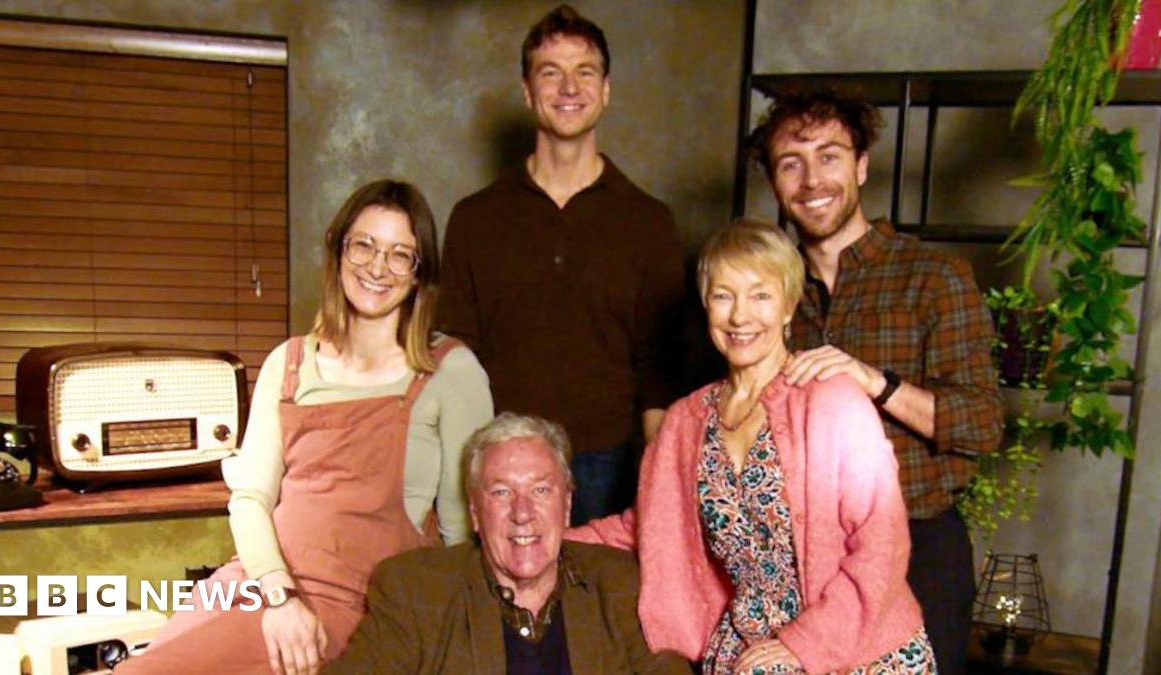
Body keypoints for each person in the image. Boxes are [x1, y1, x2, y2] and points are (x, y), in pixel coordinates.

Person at [116, 180, 493, 675]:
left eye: (401, 254)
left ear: (421, 275)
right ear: (338, 250)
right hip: (263, 583)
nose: (378, 267)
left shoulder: (451, 370)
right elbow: (250, 499)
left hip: (368, 605)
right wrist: (279, 596)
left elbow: (462, 535)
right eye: (364, 245)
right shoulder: (288, 362)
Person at [569, 219, 935, 674]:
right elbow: (648, 524)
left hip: (858, 645)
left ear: (788, 306)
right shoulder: (686, 420)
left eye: (760, 295)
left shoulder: (831, 398)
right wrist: (542, 541)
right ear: (706, 305)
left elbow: (883, 545)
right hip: (749, 647)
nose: (740, 316)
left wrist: (805, 645)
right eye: (724, 296)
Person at [748, 91, 1002, 675]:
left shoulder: (933, 277)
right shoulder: (766, 291)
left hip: (918, 547)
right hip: (807, 556)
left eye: (830, 156)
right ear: (773, 181)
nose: (812, 180)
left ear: (862, 165)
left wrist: (876, 383)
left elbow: (983, 424)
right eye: (791, 163)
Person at [437, 4, 684, 526]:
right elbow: (454, 358)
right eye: (551, 73)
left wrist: (661, 489)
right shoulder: (475, 218)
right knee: (496, 604)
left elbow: (658, 374)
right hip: (501, 459)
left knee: (593, 605)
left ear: (606, 90)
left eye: (584, 72)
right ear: (528, 93)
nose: (569, 87)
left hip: (606, 462)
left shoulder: (650, 221)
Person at [332, 412, 691, 674]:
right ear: (475, 511)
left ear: (566, 505)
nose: (523, 512)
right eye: (501, 492)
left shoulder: (619, 583)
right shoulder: (417, 590)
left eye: (540, 490)